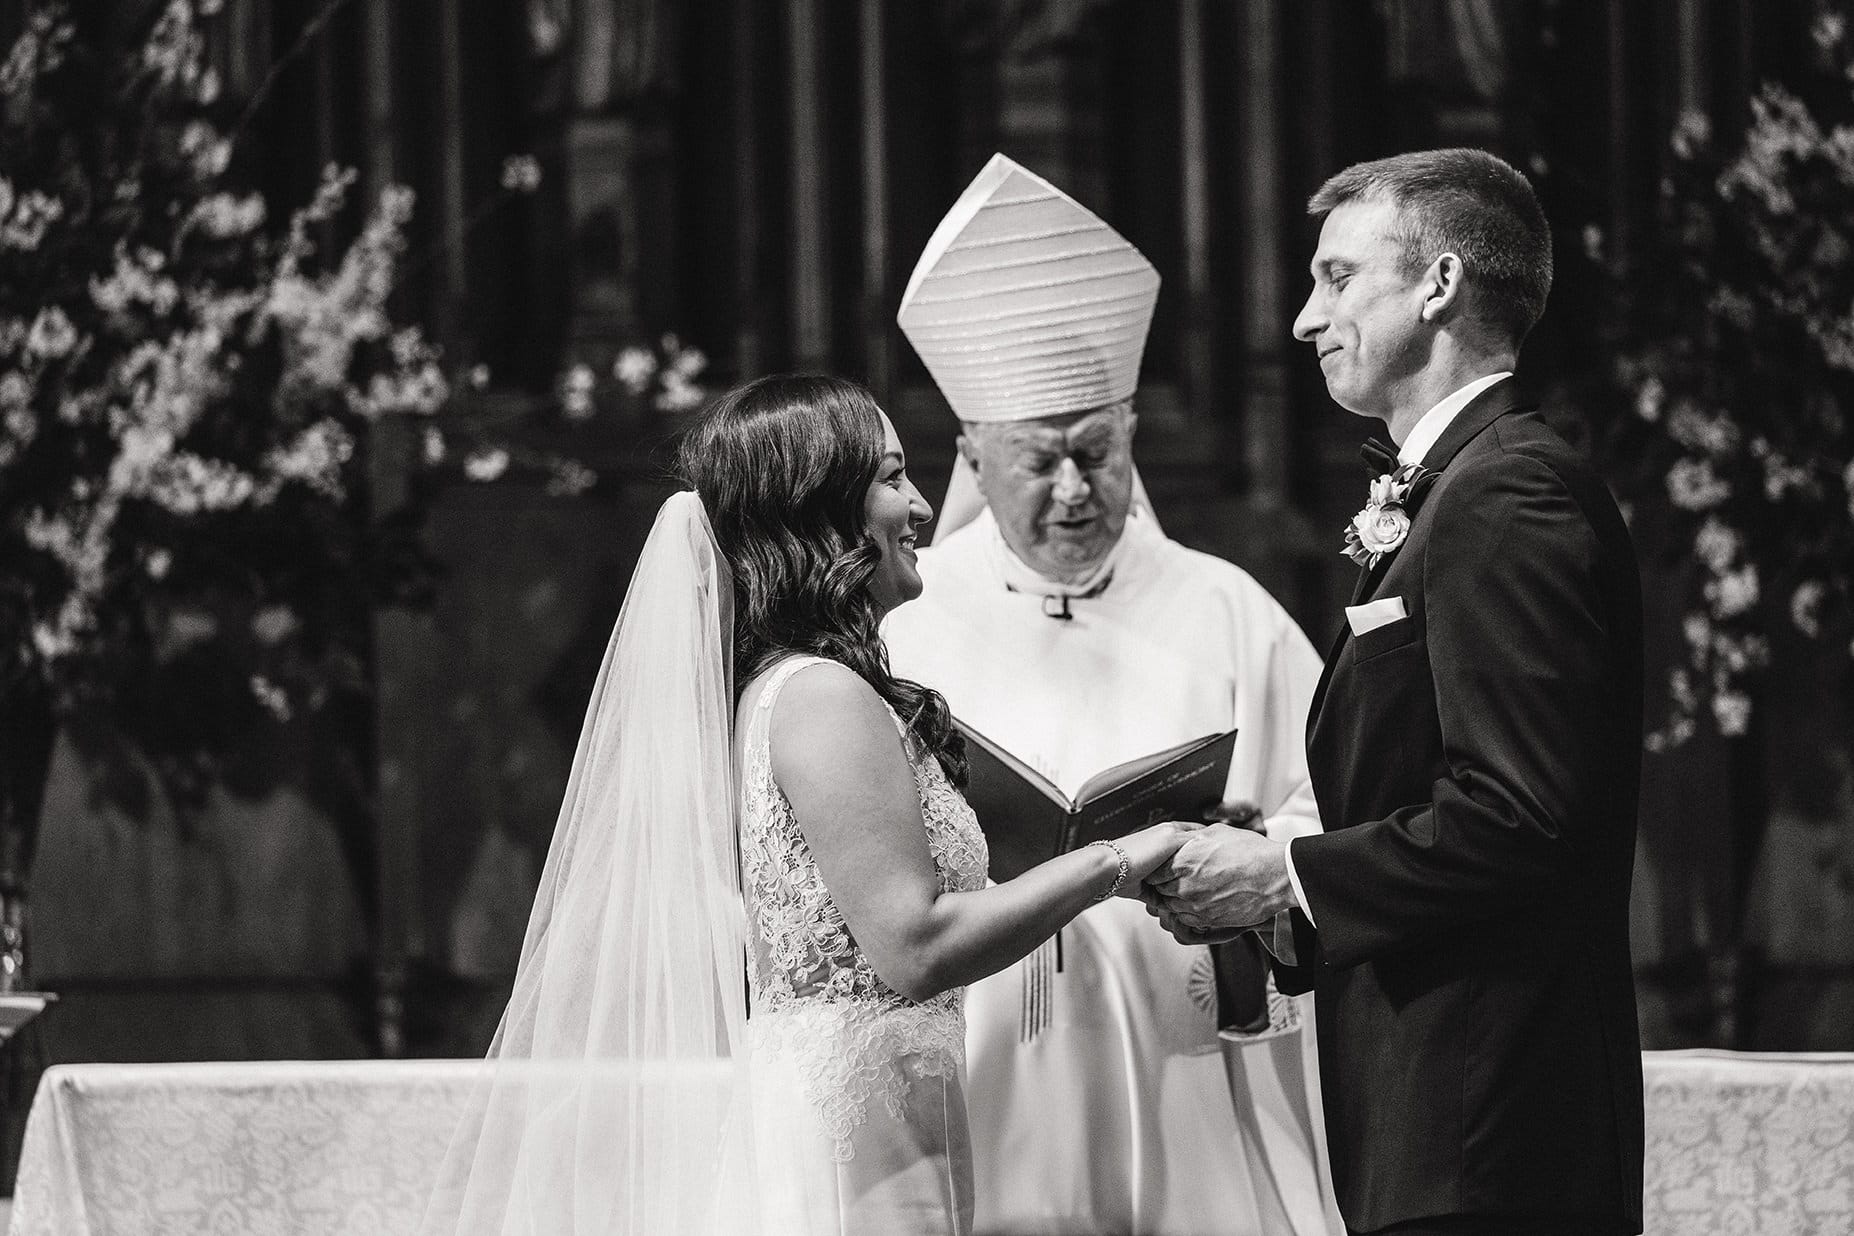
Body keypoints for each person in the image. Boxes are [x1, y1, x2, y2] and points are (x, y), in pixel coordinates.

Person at [419, 373, 1201, 1236]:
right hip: (852, 1153)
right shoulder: (821, 695)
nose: (923, 506)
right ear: (821, 509)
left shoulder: (790, 688)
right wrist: (1114, 860)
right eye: (893, 478)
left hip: (879, 1128)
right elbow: (912, 943)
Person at [1144, 148, 1646, 1236]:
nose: (1300, 320)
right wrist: (1282, 909)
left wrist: (1283, 874)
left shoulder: (1508, 494)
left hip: (1487, 1134)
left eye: (1335, 278)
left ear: (1440, 284)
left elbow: (1519, 818)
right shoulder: (1457, 489)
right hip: (1443, 1123)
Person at [884, 153, 1341, 1236]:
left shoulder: (1226, 610)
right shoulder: (902, 623)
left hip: (1182, 1052)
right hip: (980, 1056)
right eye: (1041, 461)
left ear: (1133, 437)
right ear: (975, 457)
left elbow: (1334, 808)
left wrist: (1248, 859)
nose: (1077, 488)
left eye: (1097, 451)